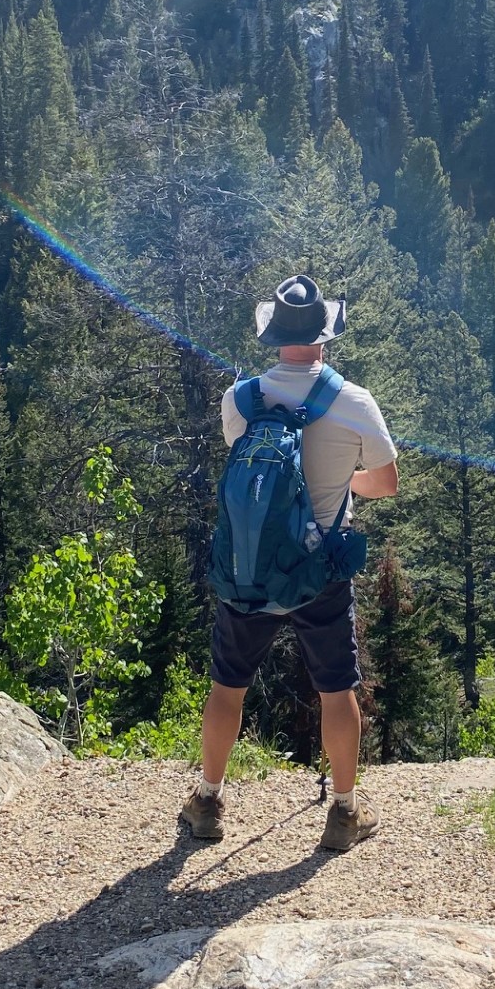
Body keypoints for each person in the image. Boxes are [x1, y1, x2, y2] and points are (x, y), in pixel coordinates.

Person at [180, 274, 398, 852]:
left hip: (248, 569)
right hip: (319, 572)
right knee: (336, 689)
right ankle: (345, 812)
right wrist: (340, 480)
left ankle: (207, 801)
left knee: (228, 687)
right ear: (325, 336)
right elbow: (386, 482)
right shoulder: (353, 401)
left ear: (273, 336)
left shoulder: (240, 401)